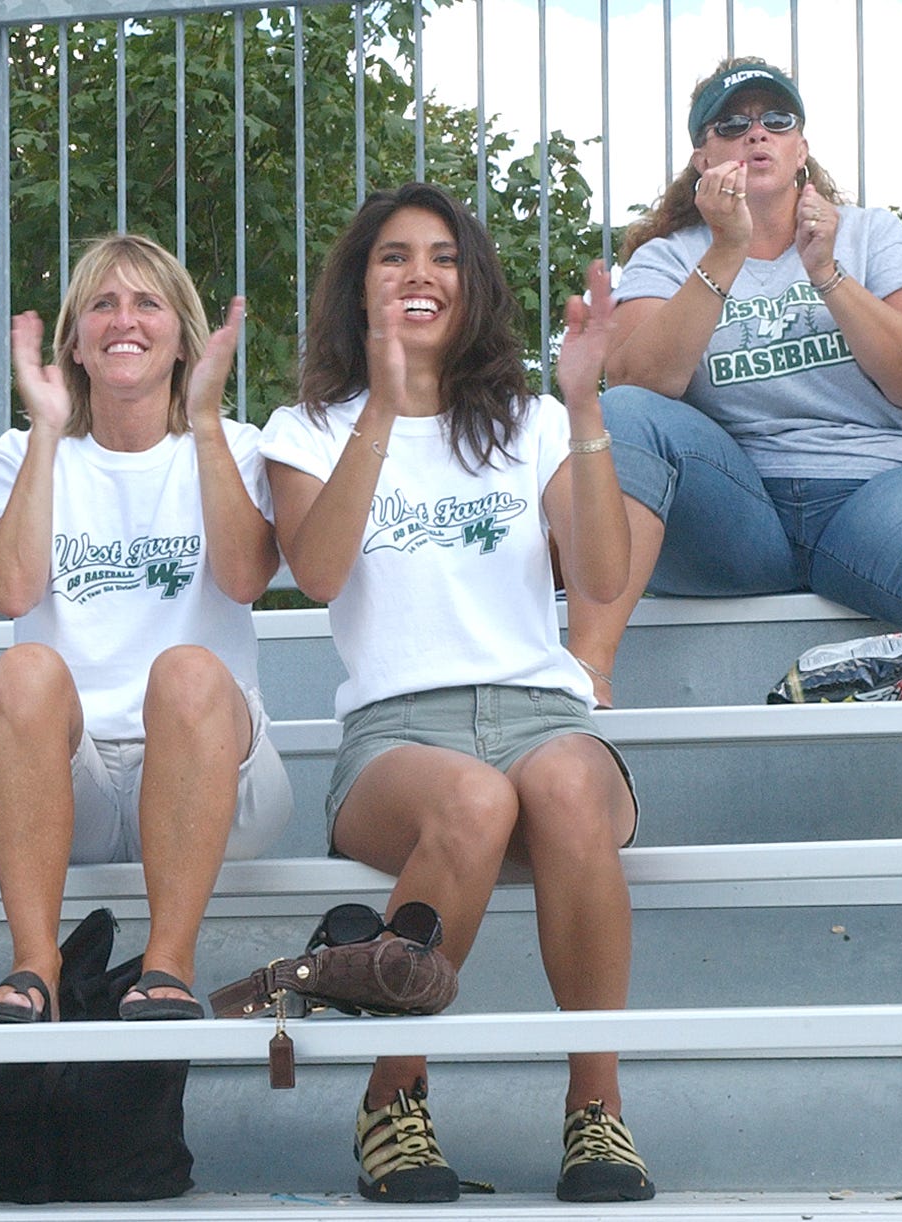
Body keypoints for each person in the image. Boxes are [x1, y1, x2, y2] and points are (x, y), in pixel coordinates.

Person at [261, 182, 655, 1204]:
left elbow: (603, 574)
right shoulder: (306, 430)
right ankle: (392, 1097)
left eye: (442, 257)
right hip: (397, 739)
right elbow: (319, 572)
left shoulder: (532, 422)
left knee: (562, 786)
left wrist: (584, 404)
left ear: (471, 288)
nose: (420, 274)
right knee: (474, 800)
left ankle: (597, 1111)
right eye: (394, 257)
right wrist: (385, 409)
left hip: (543, 718)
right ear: (361, 289)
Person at [563, 57, 902, 708]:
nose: (757, 133)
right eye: (732, 124)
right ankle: (587, 678)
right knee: (627, 411)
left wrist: (827, 272)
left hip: (882, 489)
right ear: (703, 159)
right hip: (738, 514)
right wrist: (726, 250)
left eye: (776, 120)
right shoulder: (668, 257)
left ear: (800, 148)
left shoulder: (871, 233)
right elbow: (638, 381)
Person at [0, 233, 293, 1024]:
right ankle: (35, 967)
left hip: (212, 772)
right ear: (74, 343)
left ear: (181, 337)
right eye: (102, 305)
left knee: (186, 670)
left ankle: (167, 964)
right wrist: (47, 432)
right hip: (64, 780)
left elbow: (246, 578)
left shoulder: (236, 446)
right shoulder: (21, 452)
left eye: (148, 303)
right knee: (23, 671)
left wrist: (204, 420)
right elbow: (11, 590)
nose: (124, 320)